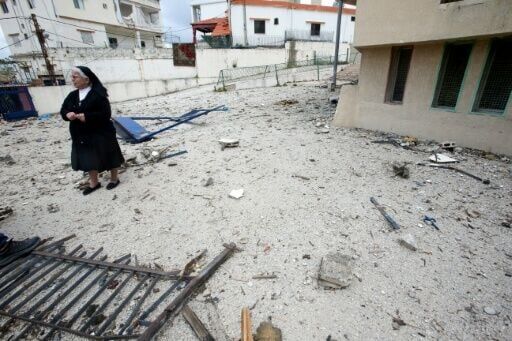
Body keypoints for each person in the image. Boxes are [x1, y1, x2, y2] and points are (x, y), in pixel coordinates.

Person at [60, 66, 125, 195]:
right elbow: (63, 110)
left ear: (86, 79)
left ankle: (114, 178)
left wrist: (87, 117)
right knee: (88, 158)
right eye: (72, 77)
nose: (72, 79)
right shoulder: (72, 95)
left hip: (101, 131)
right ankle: (94, 182)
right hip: (81, 134)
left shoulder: (98, 94)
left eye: (75, 77)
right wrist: (67, 114)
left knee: (109, 154)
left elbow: (106, 114)